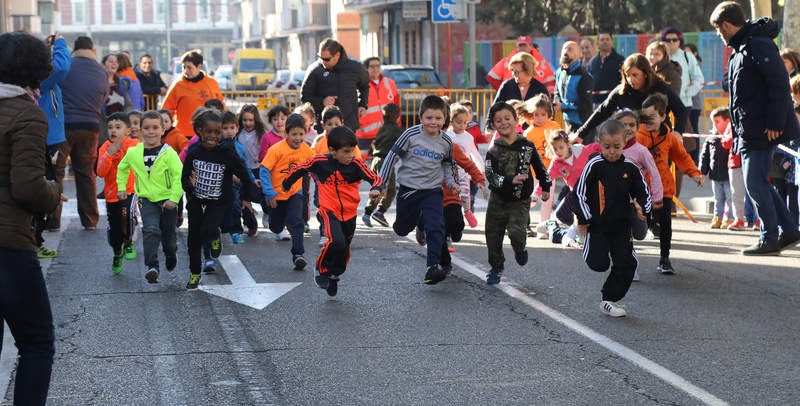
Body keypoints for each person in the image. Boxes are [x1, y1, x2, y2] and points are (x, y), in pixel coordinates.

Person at [0, 31, 66, 406]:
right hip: (8, 245)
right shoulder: (27, 113)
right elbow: (26, 187)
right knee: (37, 344)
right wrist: (54, 191)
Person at [711, 1, 800, 254]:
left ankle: (769, 237)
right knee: (758, 182)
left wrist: (775, 122)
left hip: (763, 128)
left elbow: (779, 84)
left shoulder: (757, 44)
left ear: (727, 25)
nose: (719, 35)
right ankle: (789, 230)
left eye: (719, 29)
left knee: (754, 183)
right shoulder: (742, 47)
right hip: (750, 128)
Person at [283, 126, 383, 296]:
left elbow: (375, 178)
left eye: (352, 151)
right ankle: (321, 268)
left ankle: (334, 274)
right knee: (336, 241)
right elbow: (301, 168)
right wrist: (287, 183)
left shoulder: (356, 164)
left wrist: (376, 189)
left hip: (350, 215)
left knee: (343, 253)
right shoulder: (320, 162)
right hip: (328, 212)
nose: (351, 155)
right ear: (332, 151)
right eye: (346, 152)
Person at [373, 95, 459, 285]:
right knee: (401, 229)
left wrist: (452, 182)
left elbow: (447, 165)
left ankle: (432, 267)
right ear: (420, 118)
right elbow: (391, 158)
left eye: (438, 118)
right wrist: (380, 184)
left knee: (437, 226)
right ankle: (420, 224)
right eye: (429, 118)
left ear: (445, 119)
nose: (433, 122)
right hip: (409, 190)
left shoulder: (446, 141)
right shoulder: (410, 135)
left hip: (432, 191)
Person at [575, 120, 652, 317]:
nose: (611, 151)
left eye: (616, 147)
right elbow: (579, 193)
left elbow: (643, 192)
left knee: (626, 263)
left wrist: (641, 207)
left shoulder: (630, 167)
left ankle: (608, 299)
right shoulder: (594, 165)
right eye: (607, 147)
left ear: (625, 142)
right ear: (600, 143)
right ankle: (587, 245)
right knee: (598, 264)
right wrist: (584, 218)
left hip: (621, 226)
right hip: (598, 226)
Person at [182, 109, 257, 289]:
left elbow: (245, 175)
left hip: (219, 200)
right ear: (200, 130)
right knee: (194, 237)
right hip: (196, 199)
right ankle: (194, 273)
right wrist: (189, 185)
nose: (213, 136)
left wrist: (247, 197)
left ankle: (215, 236)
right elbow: (184, 177)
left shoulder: (226, 152)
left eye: (217, 132)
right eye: (208, 132)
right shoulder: (194, 151)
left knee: (208, 229)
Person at [483, 101, 551, 285]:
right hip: (498, 199)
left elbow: (540, 167)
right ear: (494, 125)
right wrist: (508, 180)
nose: (504, 123)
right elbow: (490, 175)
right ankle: (496, 267)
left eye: (507, 118)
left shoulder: (527, 146)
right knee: (492, 234)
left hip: (520, 200)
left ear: (516, 120)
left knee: (516, 232)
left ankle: (519, 248)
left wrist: (546, 186)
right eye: (498, 120)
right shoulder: (493, 151)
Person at [637, 93, 704, 274]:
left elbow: (682, 157)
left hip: (664, 188)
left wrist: (695, 173)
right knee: (638, 222)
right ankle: (627, 257)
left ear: (662, 117)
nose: (647, 121)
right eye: (644, 117)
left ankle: (664, 258)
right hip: (640, 189)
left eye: (652, 117)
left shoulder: (669, 138)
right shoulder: (637, 136)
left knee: (666, 222)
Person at [117, 110, 183, 283]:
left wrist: (174, 199)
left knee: (168, 237)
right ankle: (152, 266)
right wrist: (122, 187)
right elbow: (122, 168)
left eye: (155, 128)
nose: (151, 132)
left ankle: (171, 253)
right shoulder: (133, 153)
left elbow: (179, 176)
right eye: (146, 128)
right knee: (151, 229)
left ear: (163, 130)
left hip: (168, 200)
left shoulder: (169, 154)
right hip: (146, 200)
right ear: (140, 130)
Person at [572, 53, 688, 145]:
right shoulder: (621, 91)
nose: (630, 79)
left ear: (645, 73)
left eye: (635, 75)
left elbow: (681, 110)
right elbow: (602, 112)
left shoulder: (660, 88)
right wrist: (581, 133)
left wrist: (677, 132)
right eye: (627, 75)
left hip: (658, 142)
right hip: (630, 143)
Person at [60, 35, 109, 230]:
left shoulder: (66, 66)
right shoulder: (101, 71)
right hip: (90, 127)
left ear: (74, 49)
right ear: (92, 50)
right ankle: (90, 220)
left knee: (56, 173)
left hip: (64, 127)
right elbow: (103, 95)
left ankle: (53, 220)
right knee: (86, 173)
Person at [260, 114, 315, 269]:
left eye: (301, 134)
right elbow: (264, 171)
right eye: (294, 134)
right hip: (276, 195)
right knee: (276, 227)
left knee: (295, 221)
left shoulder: (307, 151)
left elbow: (316, 168)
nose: (298, 138)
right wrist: (269, 193)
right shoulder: (276, 150)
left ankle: (298, 254)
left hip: (294, 193)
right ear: (286, 134)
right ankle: (276, 225)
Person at [34, 33, 70, 255]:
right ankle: (35, 240)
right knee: (41, 187)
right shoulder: (37, 76)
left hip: (46, 135)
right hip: (45, 137)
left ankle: (36, 238)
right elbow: (62, 67)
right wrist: (60, 43)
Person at [96, 112, 139, 274]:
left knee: (127, 215)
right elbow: (100, 172)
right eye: (110, 128)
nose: (113, 131)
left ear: (128, 131)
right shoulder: (105, 148)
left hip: (130, 190)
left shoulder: (134, 145)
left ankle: (128, 241)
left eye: (118, 127)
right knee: (114, 230)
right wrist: (109, 154)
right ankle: (117, 252)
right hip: (112, 194)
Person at [300, 38, 369, 132]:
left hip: (348, 125)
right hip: (323, 127)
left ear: (337, 55)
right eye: (320, 58)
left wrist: (363, 104)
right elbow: (305, 97)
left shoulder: (355, 67)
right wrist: (322, 101)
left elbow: (364, 85)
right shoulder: (314, 70)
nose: (323, 62)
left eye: (326, 59)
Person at [519, 94, 560, 237]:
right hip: (533, 172)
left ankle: (543, 227)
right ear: (531, 115)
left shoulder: (554, 126)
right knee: (531, 199)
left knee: (547, 199)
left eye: (543, 114)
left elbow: (560, 144)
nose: (539, 118)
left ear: (549, 114)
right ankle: (517, 218)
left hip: (550, 171)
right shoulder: (528, 133)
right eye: (536, 114)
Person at [162, 50, 224, 140]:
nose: (185, 71)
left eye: (189, 67)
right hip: (184, 134)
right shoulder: (178, 85)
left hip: (209, 132)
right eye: (184, 67)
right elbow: (167, 109)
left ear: (199, 67)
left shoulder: (211, 83)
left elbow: (221, 105)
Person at [219, 110, 257, 245]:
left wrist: (252, 179)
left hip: (236, 185)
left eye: (232, 128)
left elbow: (244, 166)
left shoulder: (239, 147)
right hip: (219, 184)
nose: (229, 131)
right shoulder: (217, 147)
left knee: (236, 206)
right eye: (225, 128)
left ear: (237, 128)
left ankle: (236, 231)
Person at [363, 103, 402, 228]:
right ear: (397, 116)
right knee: (388, 189)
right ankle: (377, 212)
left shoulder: (382, 127)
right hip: (386, 161)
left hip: (376, 160)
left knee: (379, 188)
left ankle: (371, 212)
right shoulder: (396, 130)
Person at [486, 52, 548, 130]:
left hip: (534, 134)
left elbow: (549, 113)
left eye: (516, 72)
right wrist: (488, 127)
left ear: (527, 70)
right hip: (508, 132)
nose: (513, 74)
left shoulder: (540, 88)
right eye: (512, 71)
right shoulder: (506, 86)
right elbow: (494, 108)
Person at [446, 103, 485, 227]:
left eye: (465, 123)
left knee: (465, 195)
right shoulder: (447, 136)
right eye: (459, 122)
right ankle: (453, 220)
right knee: (452, 199)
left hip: (464, 174)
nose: (462, 125)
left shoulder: (468, 137)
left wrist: (481, 168)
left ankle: (467, 212)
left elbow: (474, 153)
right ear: (451, 122)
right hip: (450, 174)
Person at [356, 57, 400, 155]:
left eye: (377, 66)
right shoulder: (359, 85)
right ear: (366, 68)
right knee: (361, 163)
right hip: (365, 133)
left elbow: (396, 106)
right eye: (372, 66)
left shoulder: (390, 83)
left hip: (386, 132)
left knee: (385, 161)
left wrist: (397, 124)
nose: (375, 68)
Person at [486, 35, 556, 94]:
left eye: (524, 45)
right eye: (520, 46)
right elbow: (491, 77)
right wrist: (505, 91)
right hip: (513, 100)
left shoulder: (542, 63)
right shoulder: (507, 61)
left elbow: (550, 82)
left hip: (535, 100)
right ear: (517, 47)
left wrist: (548, 97)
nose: (522, 48)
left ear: (531, 46)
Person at [554, 41, 594, 134]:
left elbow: (585, 104)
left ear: (579, 54)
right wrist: (556, 103)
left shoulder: (584, 76)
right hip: (566, 123)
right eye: (564, 49)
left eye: (570, 49)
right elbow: (557, 93)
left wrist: (563, 106)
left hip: (583, 125)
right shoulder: (559, 72)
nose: (566, 52)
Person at [700, 118, 733, 229]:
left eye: (717, 121)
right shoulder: (711, 138)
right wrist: (703, 173)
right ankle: (717, 218)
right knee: (718, 199)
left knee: (730, 198)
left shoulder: (730, 137)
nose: (714, 124)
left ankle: (729, 219)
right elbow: (705, 156)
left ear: (727, 121)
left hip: (728, 175)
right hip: (715, 175)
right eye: (714, 121)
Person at [588, 33, 625, 106]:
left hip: (614, 103)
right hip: (595, 104)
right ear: (598, 43)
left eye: (607, 39)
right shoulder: (593, 61)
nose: (605, 41)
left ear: (612, 42)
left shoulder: (620, 60)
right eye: (602, 40)